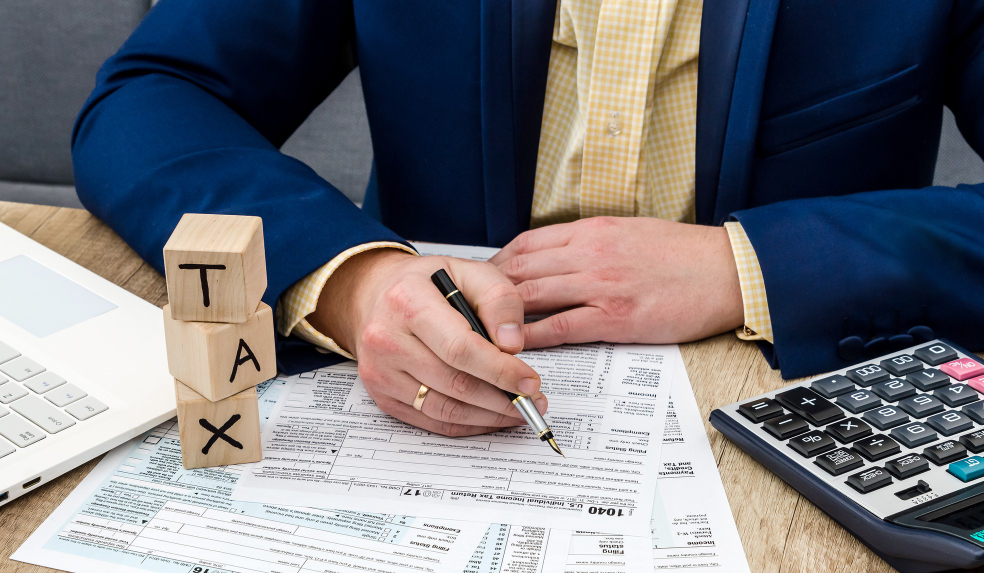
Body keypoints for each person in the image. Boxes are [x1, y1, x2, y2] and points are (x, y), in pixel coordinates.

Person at [72, 0, 984, 438]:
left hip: (803, 411)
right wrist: (353, 280)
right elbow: (154, 95)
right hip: (415, 408)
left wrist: (747, 266)